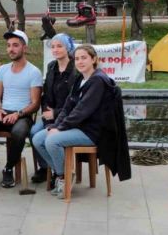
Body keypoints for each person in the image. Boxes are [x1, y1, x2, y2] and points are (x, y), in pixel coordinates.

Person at [32, 44, 121, 198]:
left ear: (93, 59)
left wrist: (59, 129)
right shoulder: (81, 79)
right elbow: (68, 107)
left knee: (52, 141)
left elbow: (81, 111)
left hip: (93, 132)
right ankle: (64, 174)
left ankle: (64, 177)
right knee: (38, 139)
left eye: (84, 58)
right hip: (80, 127)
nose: (80, 62)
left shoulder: (98, 80)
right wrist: (56, 125)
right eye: (77, 58)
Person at [0, 30, 42, 189]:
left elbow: (35, 103)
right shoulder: (3, 69)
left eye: (15, 45)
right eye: (9, 46)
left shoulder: (33, 71)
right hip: (2, 112)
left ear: (24, 48)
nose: (11, 49)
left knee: (18, 133)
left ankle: (8, 168)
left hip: (22, 114)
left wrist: (18, 114)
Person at [30, 33, 78, 184]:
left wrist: (56, 113)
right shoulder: (51, 67)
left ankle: (59, 173)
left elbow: (75, 100)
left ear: (68, 48)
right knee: (33, 132)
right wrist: (45, 111)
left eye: (59, 46)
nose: (55, 50)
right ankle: (47, 168)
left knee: (46, 137)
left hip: (67, 117)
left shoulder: (76, 70)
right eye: (53, 47)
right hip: (50, 115)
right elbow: (46, 93)